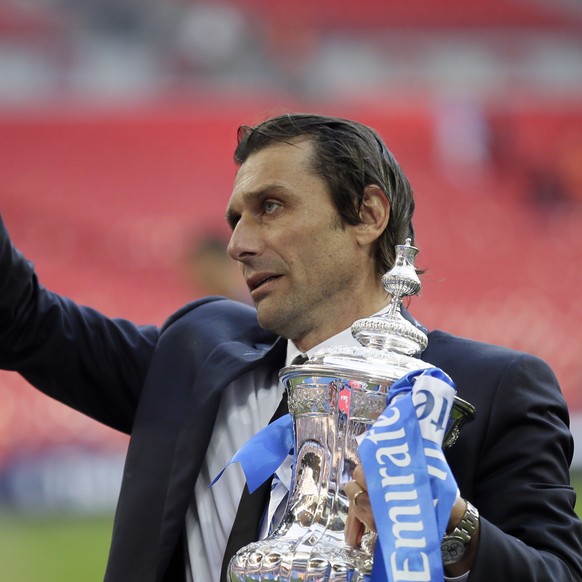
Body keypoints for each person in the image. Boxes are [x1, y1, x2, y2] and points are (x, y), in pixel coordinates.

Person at [0, 113, 581, 582]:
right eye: (235, 219)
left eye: (270, 207)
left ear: (368, 214)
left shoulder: (490, 389)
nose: (237, 244)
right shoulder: (195, 355)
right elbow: (25, 322)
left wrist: (453, 529)